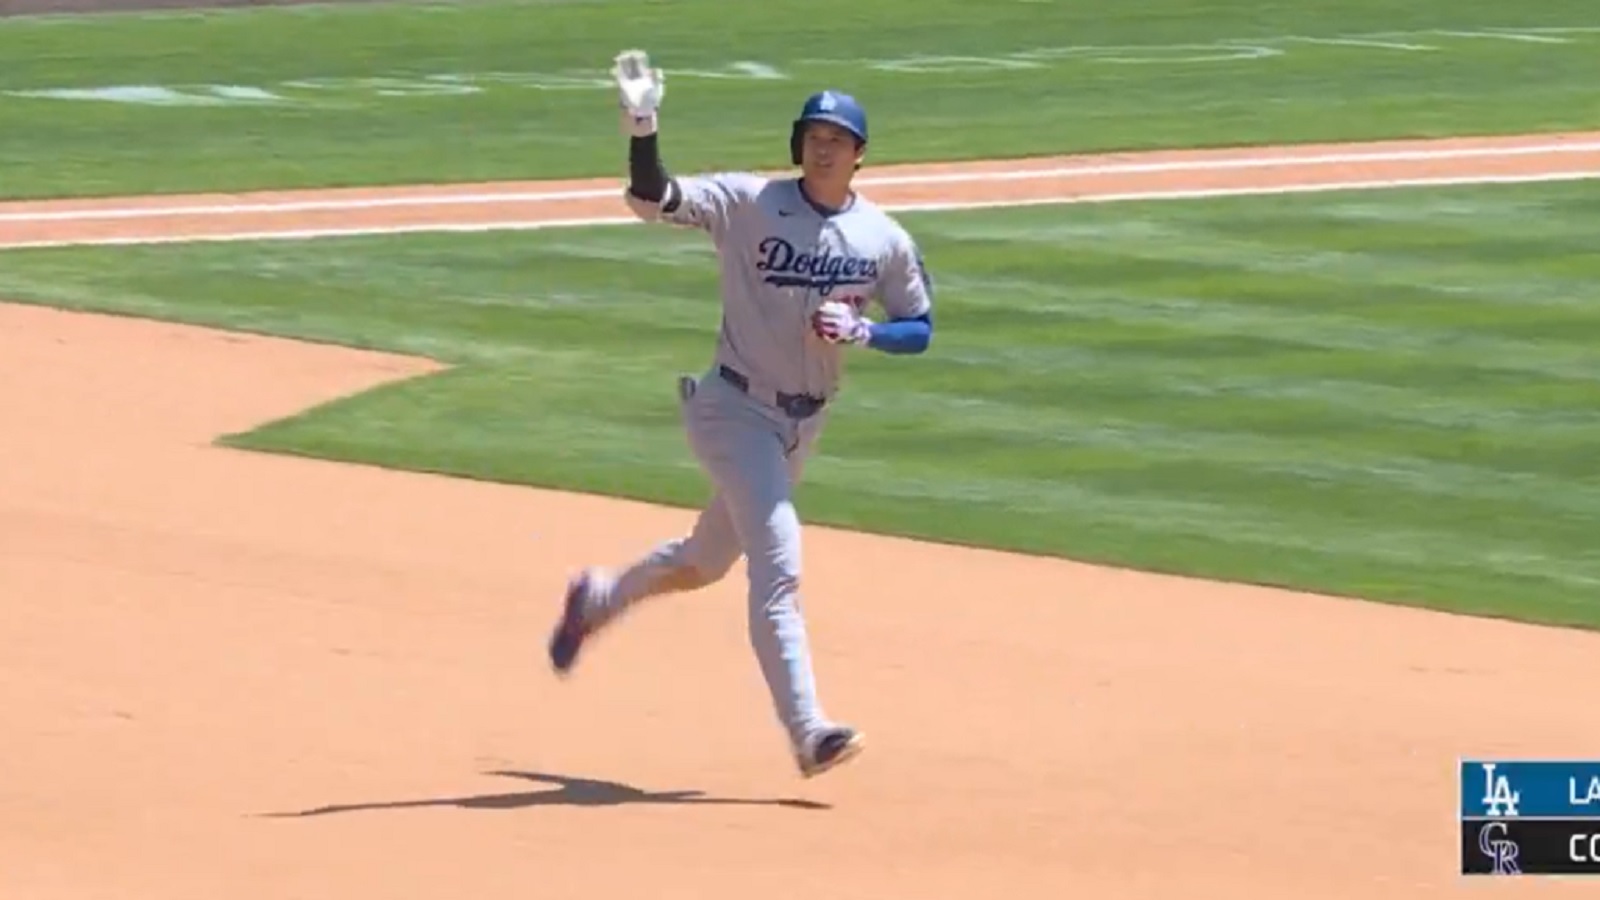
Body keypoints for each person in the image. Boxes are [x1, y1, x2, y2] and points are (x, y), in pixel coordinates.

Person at [547, 49, 936, 779]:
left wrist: (867, 333)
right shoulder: (748, 203)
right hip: (731, 410)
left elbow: (920, 326)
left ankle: (599, 599)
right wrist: (642, 124)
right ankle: (808, 730)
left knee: (702, 562)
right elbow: (654, 196)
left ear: (859, 156)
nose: (822, 146)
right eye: (812, 134)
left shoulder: (883, 237)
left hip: (802, 425)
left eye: (837, 138)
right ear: (799, 146)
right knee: (779, 565)